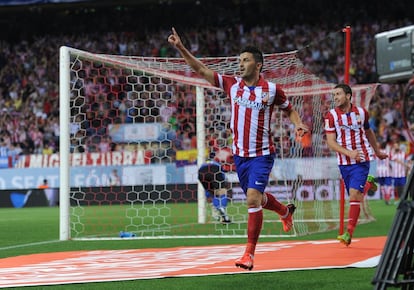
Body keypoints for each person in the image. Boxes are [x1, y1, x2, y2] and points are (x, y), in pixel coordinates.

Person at [168, 27, 309, 270]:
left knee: (252, 199)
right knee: (259, 198)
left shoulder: (273, 90)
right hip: (240, 156)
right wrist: (181, 48)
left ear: (258, 65)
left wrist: (298, 125)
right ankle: (285, 211)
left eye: (245, 60)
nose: (240, 64)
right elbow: (200, 70)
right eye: (239, 60)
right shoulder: (232, 85)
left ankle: (249, 254)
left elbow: (290, 109)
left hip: (262, 155)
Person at [324, 83, 388, 247]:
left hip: (361, 158)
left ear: (348, 96)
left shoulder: (361, 112)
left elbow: (368, 132)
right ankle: (368, 184)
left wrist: (377, 151)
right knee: (356, 196)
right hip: (344, 162)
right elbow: (331, 142)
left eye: (338, 94)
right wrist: (348, 153)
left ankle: (348, 233)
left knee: (354, 195)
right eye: (334, 95)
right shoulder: (331, 116)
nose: (335, 97)